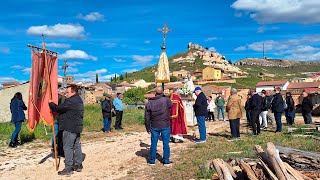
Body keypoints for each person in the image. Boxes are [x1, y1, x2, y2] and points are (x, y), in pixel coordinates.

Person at [49, 84, 84, 175]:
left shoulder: (70, 101)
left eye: (67, 92)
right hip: (76, 127)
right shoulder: (79, 99)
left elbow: (58, 108)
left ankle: (68, 168)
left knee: (68, 147)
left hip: (69, 127)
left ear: (73, 92)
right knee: (77, 146)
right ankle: (78, 165)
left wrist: (51, 103)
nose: (66, 94)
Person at [145, 88, 172, 166]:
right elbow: (171, 106)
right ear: (162, 93)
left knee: (153, 143)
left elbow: (147, 117)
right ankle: (166, 161)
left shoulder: (149, 102)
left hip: (154, 125)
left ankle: (152, 161)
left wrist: (147, 127)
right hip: (165, 124)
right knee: (166, 143)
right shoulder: (166, 100)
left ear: (155, 93)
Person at [52, 87, 66, 156]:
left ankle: (53, 147)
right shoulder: (63, 98)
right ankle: (59, 150)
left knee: (54, 133)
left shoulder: (54, 98)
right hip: (60, 118)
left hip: (54, 117)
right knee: (60, 134)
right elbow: (62, 108)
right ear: (62, 93)